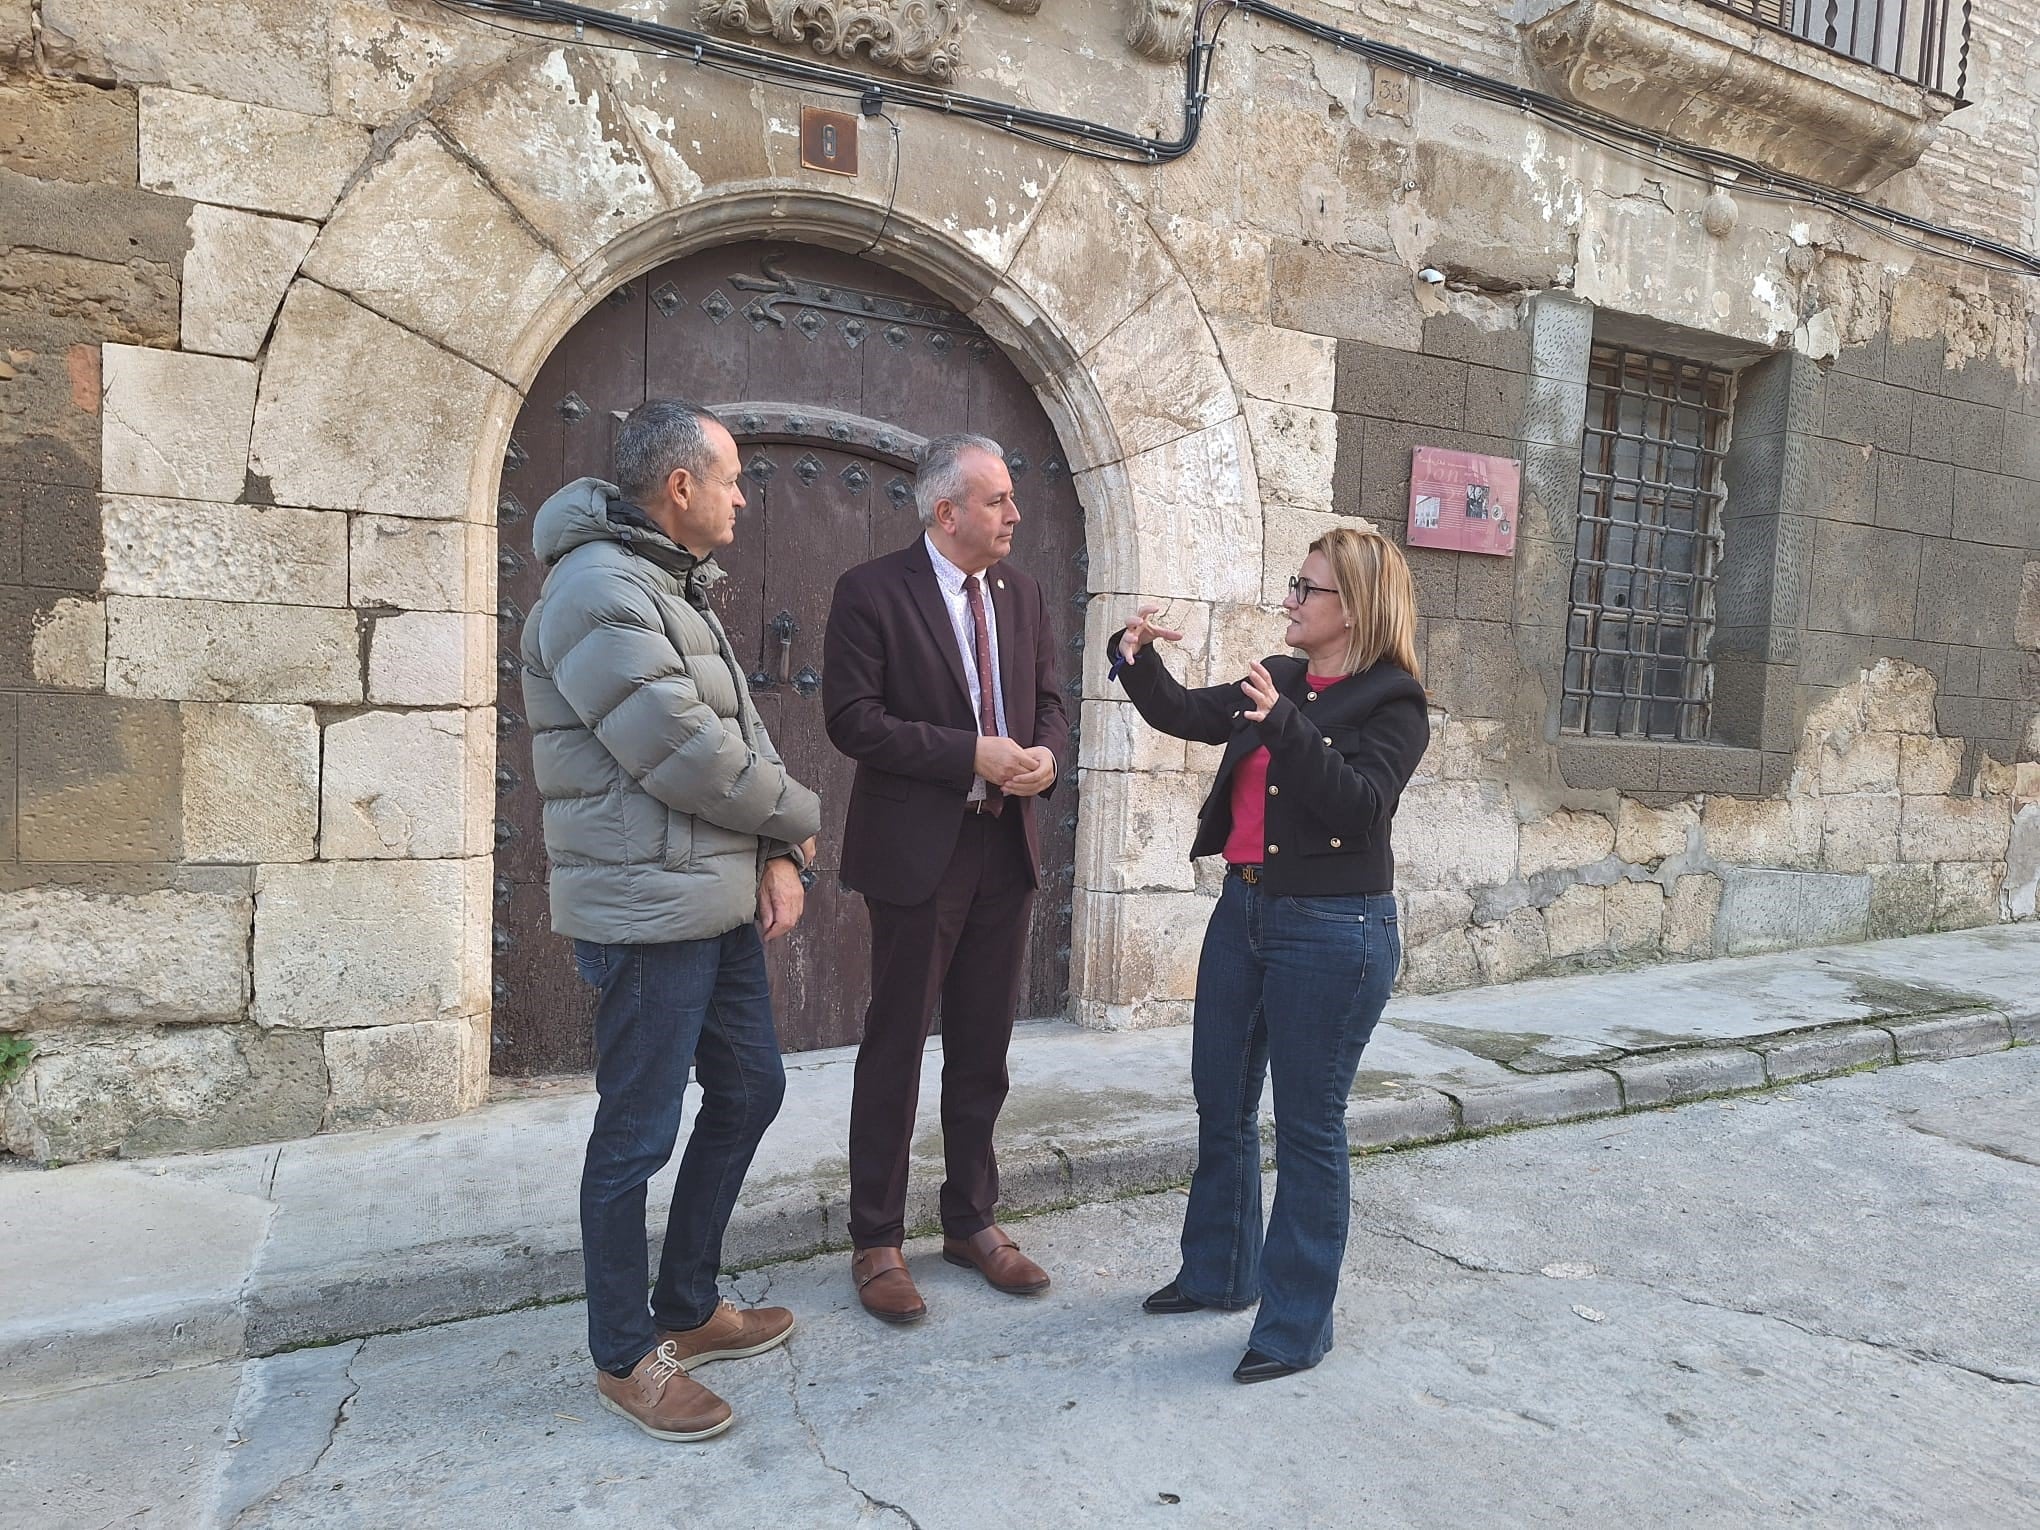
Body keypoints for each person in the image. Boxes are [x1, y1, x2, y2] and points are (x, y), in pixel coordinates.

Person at [521, 398, 823, 1441]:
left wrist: (777, 848)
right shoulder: (599, 590)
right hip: (649, 912)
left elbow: (741, 728)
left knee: (750, 1086)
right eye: (733, 479)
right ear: (680, 486)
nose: (745, 497)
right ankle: (622, 1354)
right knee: (635, 1136)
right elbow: (684, 751)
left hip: (710, 895)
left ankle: (687, 1305)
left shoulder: (668, 585)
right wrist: (803, 817)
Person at [1112, 526, 1429, 1383]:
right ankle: (1219, 1274)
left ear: (1353, 607)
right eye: (1294, 583)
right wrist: (1136, 659)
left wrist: (1290, 728)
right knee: (1221, 1096)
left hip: (1334, 932)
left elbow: (1358, 808)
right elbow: (1187, 713)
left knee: (1309, 1126)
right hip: (1245, 910)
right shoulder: (1279, 676)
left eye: (1307, 588)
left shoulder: (1395, 703)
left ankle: (1295, 1325)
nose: (1289, 599)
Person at [822, 432, 1070, 1324]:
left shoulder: (1024, 591)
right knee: (896, 1046)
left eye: (1011, 499)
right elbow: (852, 720)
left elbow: (1049, 700)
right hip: (919, 852)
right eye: (999, 500)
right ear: (946, 512)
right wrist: (971, 752)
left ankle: (970, 1219)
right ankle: (876, 1239)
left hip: (1005, 846)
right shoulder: (870, 593)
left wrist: (1041, 753)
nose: (1014, 515)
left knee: (984, 1046)